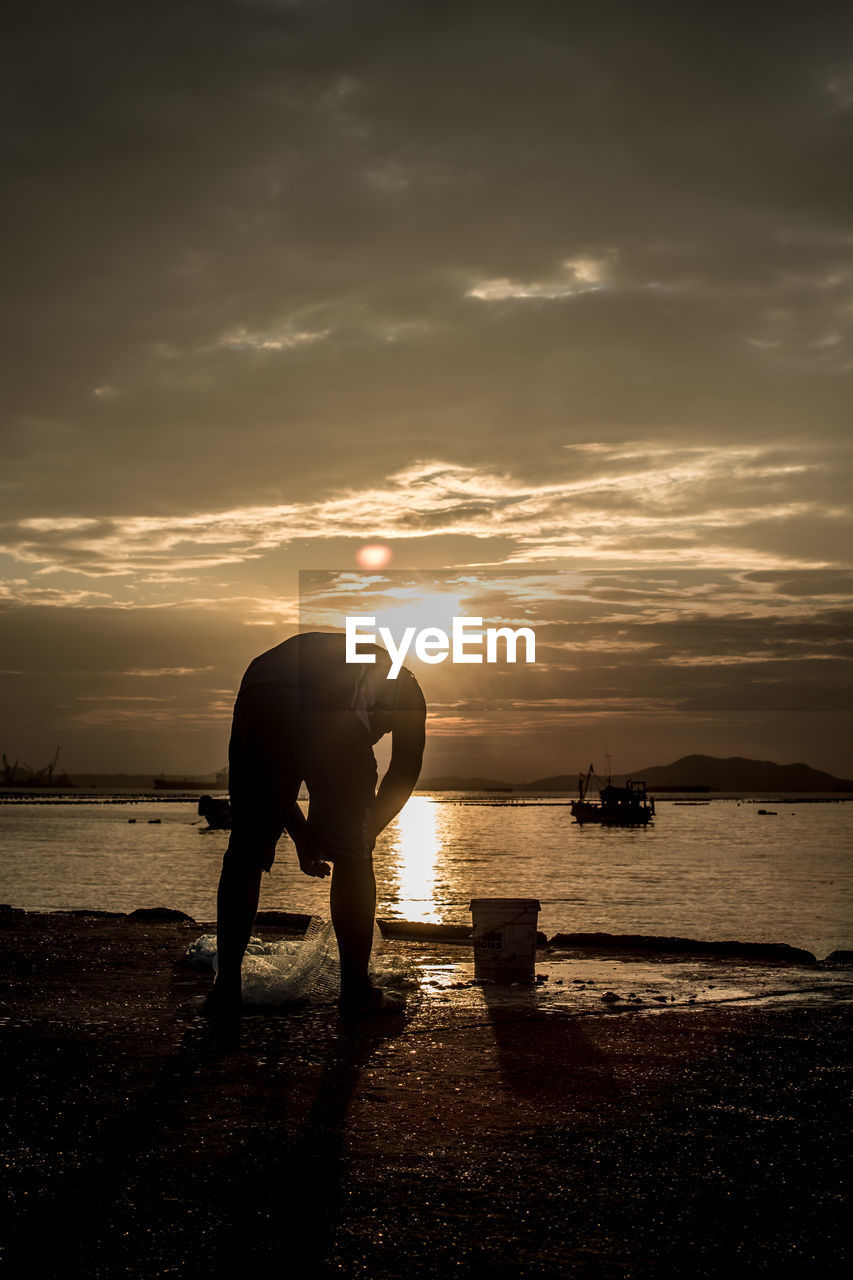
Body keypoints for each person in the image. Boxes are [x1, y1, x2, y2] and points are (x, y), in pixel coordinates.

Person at [204, 631, 426, 1020]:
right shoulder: (405, 689)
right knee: (355, 859)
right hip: (315, 692)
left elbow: (275, 783)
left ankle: (227, 990)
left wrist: (304, 834)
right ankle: (356, 992)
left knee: (245, 852)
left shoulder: (362, 675)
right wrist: (362, 835)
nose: (376, 737)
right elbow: (404, 771)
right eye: (381, 732)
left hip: (259, 688)